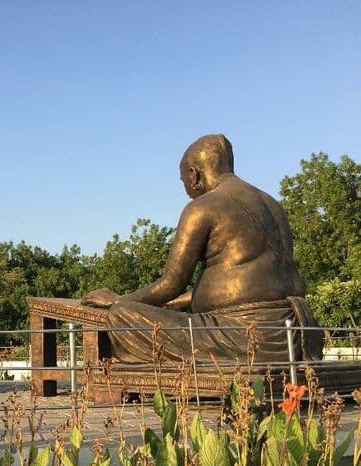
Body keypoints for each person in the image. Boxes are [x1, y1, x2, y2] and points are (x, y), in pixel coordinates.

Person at [82, 134, 321, 364]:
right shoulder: (272, 204)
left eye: (183, 181)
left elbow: (170, 284)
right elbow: (255, 280)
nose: (186, 188)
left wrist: (118, 300)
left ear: (193, 174)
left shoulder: (202, 207)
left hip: (247, 334)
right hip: (300, 330)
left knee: (122, 315)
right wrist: (178, 302)